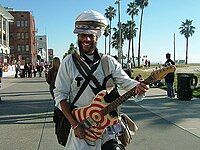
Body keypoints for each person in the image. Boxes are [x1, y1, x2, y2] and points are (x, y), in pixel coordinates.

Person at [54, 10, 148, 150]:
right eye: (83, 35)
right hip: (82, 125)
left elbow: (127, 82)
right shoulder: (68, 63)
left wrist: (139, 87)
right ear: (78, 36)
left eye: (91, 36)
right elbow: (60, 95)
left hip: (107, 125)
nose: (86, 39)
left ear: (97, 37)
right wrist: (75, 125)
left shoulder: (108, 62)